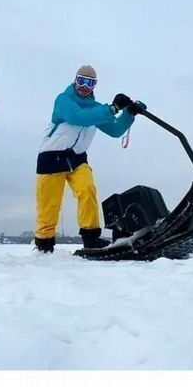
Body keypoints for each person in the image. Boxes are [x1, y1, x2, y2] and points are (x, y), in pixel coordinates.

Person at [35, 64, 145, 252]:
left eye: (90, 82)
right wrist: (111, 108)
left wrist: (129, 113)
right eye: (81, 81)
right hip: (51, 158)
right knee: (50, 203)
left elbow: (115, 130)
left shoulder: (97, 109)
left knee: (87, 190)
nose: (84, 86)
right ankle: (44, 244)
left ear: (95, 85)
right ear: (75, 80)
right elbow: (78, 117)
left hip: (77, 159)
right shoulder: (63, 100)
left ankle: (91, 237)